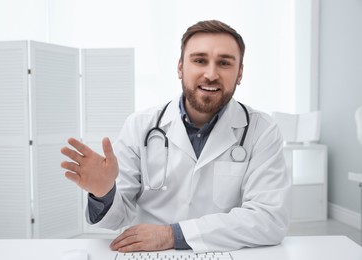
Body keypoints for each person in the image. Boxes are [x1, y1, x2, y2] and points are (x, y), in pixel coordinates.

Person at [60, 20, 291, 253]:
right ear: (180, 68)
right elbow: (117, 218)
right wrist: (103, 192)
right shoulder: (140, 125)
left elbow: (269, 219)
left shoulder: (262, 130)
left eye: (224, 63)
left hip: (225, 253)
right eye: (199, 60)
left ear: (239, 73)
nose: (211, 74)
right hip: (149, 254)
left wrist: (173, 234)